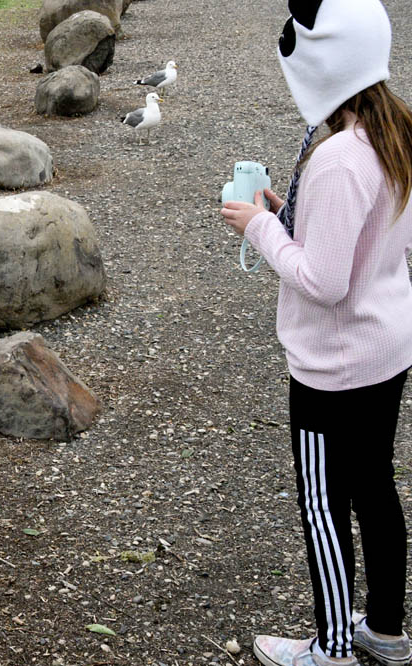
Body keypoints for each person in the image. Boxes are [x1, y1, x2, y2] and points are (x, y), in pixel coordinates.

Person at [220, 1, 412, 665]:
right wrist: (288, 213)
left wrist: (259, 227)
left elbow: (324, 283)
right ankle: (385, 634)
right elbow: (358, 243)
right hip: (384, 350)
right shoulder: (395, 133)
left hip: (333, 368)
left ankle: (331, 649)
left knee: (324, 506)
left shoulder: (335, 159)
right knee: (375, 489)